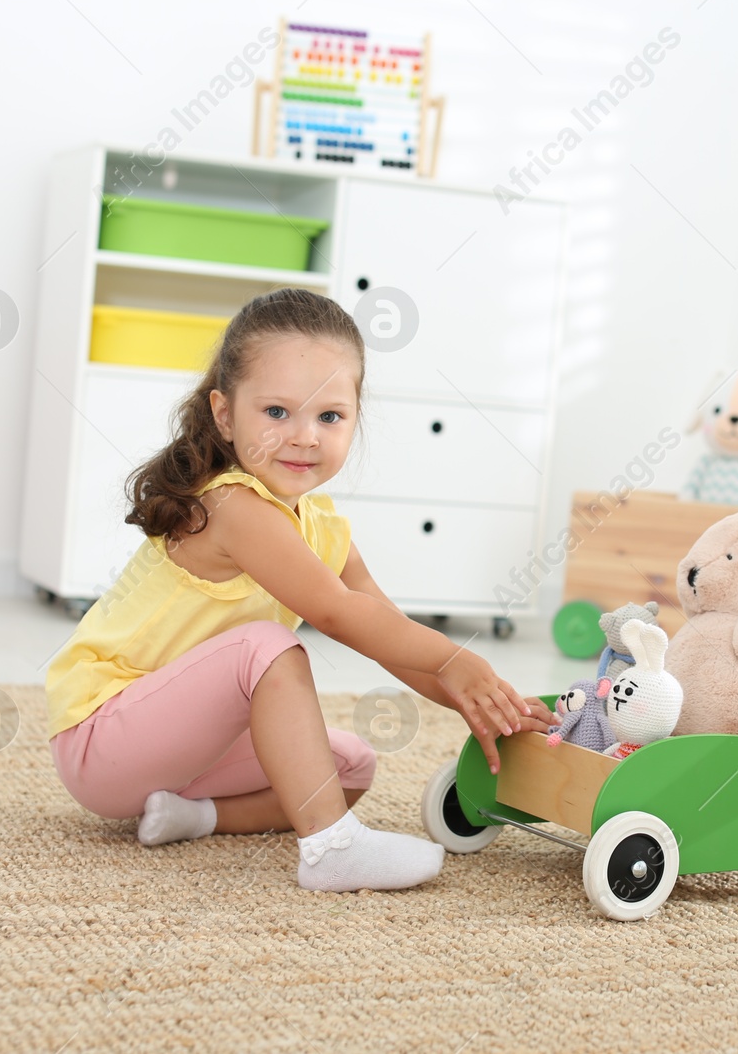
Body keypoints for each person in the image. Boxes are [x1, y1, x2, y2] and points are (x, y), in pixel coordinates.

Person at [45, 288, 556, 892]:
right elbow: (338, 615)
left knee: (346, 767)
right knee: (266, 647)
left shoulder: (321, 525)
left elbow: (387, 633)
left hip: (180, 756)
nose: (305, 436)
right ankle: (329, 849)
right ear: (225, 414)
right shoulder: (233, 505)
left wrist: (488, 704)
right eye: (277, 412)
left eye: (330, 416)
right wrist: (455, 658)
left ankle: (194, 817)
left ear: (355, 418)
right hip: (102, 739)